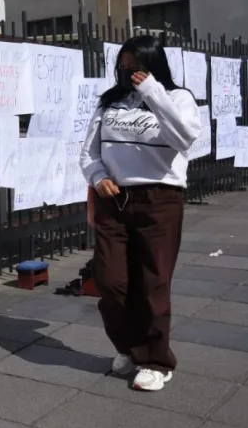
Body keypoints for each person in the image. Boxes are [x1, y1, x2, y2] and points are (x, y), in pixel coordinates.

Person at [80, 35, 201, 392]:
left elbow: (184, 139)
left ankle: (155, 361)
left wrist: (152, 93)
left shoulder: (178, 99)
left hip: (159, 199)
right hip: (114, 197)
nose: (129, 73)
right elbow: (88, 152)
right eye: (123, 67)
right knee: (111, 280)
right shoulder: (109, 103)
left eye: (136, 67)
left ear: (153, 66)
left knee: (153, 281)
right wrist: (98, 177)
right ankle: (129, 347)